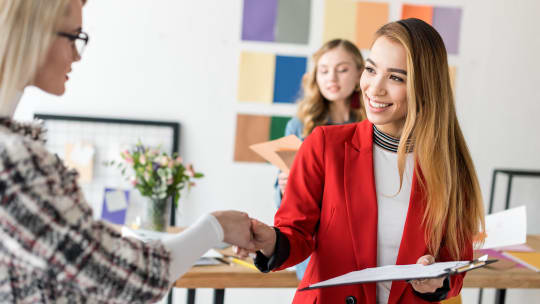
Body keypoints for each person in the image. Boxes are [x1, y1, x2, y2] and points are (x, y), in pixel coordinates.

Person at [0, 1, 255, 302]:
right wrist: (216, 227)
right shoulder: (15, 161)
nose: (77, 56)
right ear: (33, 33)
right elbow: (128, 279)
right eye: (74, 37)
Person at [242, 18, 486, 304]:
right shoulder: (323, 144)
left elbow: (455, 266)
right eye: (371, 70)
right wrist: (268, 240)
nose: (374, 88)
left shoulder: (450, 166)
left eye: (396, 77)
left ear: (426, 87)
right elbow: (295, 234)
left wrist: (435, 281)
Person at [274, 39, 365, 280]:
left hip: (363, 242)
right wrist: (285, 187)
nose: (331, 78)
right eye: (323, 71)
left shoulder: (373, 125)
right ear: (315, 77)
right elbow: (281, 204)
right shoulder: (297, 125)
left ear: (359, 73)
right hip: (315, 248)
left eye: (342, 69)